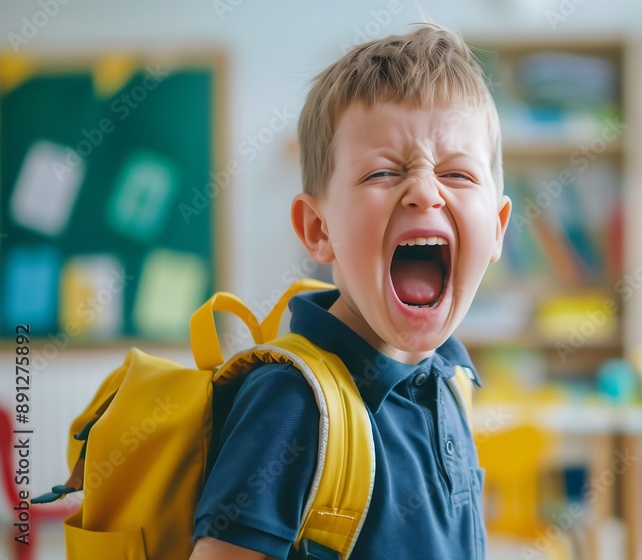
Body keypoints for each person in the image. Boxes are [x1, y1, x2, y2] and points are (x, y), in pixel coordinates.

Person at [189, 24, 511, 560]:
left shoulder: (452, 383)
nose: (425, 192)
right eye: (383, 173)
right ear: (319, 230)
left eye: (457, 174)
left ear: (498, 229)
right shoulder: (290, 402)